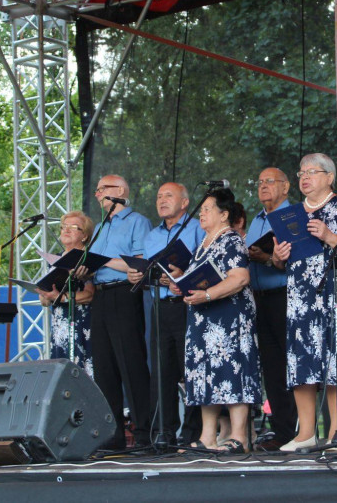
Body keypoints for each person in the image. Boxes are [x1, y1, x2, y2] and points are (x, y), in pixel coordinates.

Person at [271, 154, 337, 451]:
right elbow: (278, 261)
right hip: (301, 300)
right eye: (301, 172)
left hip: (335, 299)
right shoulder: (292, 213)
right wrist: (278, 256)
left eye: (313, 171)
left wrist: (328, 235)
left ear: (329, 177)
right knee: (303, 365)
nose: (304, 176)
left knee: (335, 366)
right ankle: (306, 433)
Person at [169, 187, 261, 454]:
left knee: (232, 373)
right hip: (203, 320)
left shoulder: (230, 239)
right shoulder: (204, 242)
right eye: (202, 210)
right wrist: (182, 284)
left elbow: (240, 278)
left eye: (208, 209)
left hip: (229, 319)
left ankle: (239, 437)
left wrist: (207, 293)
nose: (202, 214)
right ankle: (207, 436)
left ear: (224, 215)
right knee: (204, 375)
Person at [124, 182, 204, 448]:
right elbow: (149, 274)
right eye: (158, 196)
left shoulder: (197, 227)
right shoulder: (152, 236)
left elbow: (205, 266)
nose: (161, 200)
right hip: (160, 307)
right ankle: (164, 433)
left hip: (189, 306)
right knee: (162, 371)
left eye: (168, 195)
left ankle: (194, 434)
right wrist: (139, 275)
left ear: (184, 202)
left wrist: (185, 275)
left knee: (191, 371)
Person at [88, 175, 153, 449]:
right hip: (99, 296)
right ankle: (112, 435)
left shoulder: (137, 221)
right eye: (97, 189)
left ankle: (143, 433)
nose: (98, 193)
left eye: (104, 188)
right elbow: (93, 262)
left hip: (124, 294)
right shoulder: (100, 226)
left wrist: (104, 262)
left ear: (121, 191)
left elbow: (139, 264)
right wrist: (84, 267)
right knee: (104, 368)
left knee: (131, 364)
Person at [244, 167, 298, 450]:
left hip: (285, 296)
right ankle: (282, 431)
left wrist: (265, 257)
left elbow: (301, 259)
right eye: (260, 181)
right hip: (260, 299)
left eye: (270, 181)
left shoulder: (293, 216)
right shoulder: (256, 220)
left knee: (291, 364)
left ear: (286, 186)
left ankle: (299, 430)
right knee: (272, 367)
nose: (263, 186)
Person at [38, 211, 96, 377]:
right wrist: (45, 296)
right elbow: (45, 300)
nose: (66, 230)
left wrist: (61, 297)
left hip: (82, 325)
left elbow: (90, 295)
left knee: (83, 373)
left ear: (84, 236)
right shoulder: (54, 259)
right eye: (64, 227)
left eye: (73, 227)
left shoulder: (88, 258)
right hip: (59, 328)